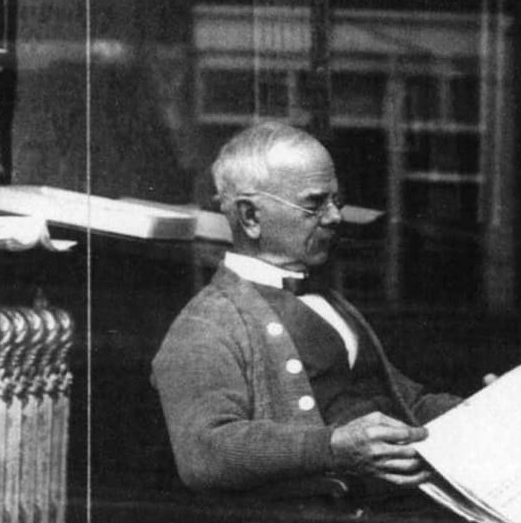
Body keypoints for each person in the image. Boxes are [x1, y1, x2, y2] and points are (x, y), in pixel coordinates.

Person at [151, 120, 462, 502]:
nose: (334, 217)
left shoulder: (330, 301)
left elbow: (406, 403)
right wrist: (331, 447)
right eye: (314, 204)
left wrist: (492, 411)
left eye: (336, 201)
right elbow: (204, 452)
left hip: (397, 511)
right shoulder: (207, 324)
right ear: (250, 216)